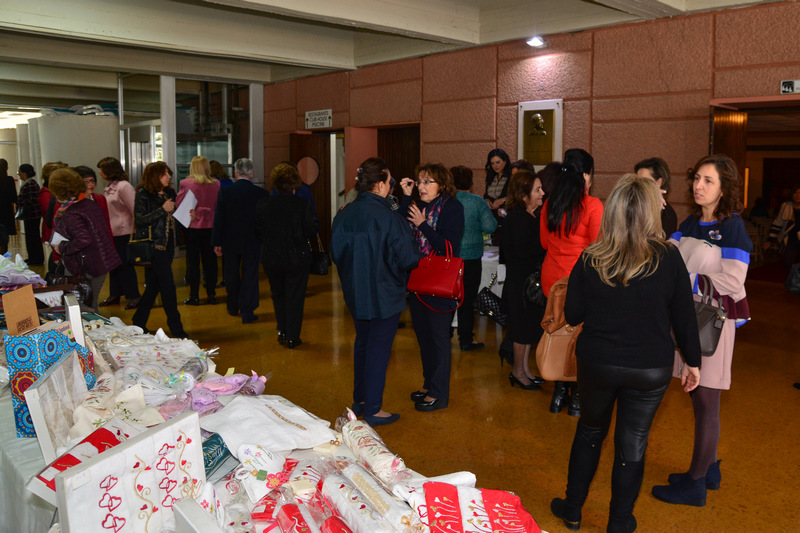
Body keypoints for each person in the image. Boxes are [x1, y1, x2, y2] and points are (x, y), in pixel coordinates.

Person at [550, 174, 702, 533]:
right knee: (632, 444)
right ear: (652, 212)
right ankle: (619, 522)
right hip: (649, 367)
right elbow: (684, 318)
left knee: (589, 432)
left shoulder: (591, 257)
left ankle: (572, 510)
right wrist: (693, 363)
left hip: (598, 362)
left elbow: (572, 315)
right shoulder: (668, 257)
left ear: (613, 210)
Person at [652, 154, 752, 507]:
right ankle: (708, 469)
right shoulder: (691, 223)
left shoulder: (734, 227)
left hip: (714, 325)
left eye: (708, 180)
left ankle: (694, 484)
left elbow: (734, 281)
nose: (699, 185)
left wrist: (686, 280)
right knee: (699, 399)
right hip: (690, 321)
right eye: (697, 178)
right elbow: (668, 256)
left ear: (724, 188)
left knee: (707, 402)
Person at [331, 158, 421, 425]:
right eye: (390, 182)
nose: (391, 187)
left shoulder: (344, 213)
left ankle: (359, 402)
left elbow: (336, 254)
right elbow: (408, 258)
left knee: (363, 345)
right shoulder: (389, 217)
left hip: (355, 293)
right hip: (385, 294)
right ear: (381, 185)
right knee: (379, 349)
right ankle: (373, 408)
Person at [540, 148, 604, 417]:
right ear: (587, 175)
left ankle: (557, 395)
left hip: (552, 281)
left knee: (557, 333)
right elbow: (598, 248)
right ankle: (576, 397)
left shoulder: (550, 203)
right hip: (579, 282)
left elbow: (544, 243)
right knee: (580, 339)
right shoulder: (592, 205)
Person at [400, 163, 464, 412]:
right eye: (420, 181)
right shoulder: (420, 207)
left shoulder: (452, 207)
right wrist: (406, 197)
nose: (422, 186)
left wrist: (423, 224)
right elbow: (402, 227)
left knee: (438, 339)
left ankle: (439, 393)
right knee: (424, 338)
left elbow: (448, 248)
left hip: (441, 283)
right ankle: (429, 384)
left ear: (442, 185)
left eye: (428, 182)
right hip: (418, 281)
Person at [255, 163, 318, 349]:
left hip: (272, 256)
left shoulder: (264, 204)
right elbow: (311, 229)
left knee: (278, 294)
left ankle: (282, 330)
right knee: (295, 296)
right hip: (297, 256)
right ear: (294, 184)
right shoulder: (302, 204)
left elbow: (258, 230)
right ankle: (292, 336)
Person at [48, 168, 122, 311]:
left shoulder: (71, 213)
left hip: (87, 265)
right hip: (101, 263)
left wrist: (61, 247)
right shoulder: (90, 205)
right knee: (90, 302)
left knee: (83, 307)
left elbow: (84, 239)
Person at [130, 162, 187, 338]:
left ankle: (138, 320)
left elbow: (173, 218)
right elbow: (140, 220)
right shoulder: (143, 194)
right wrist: (162, 210)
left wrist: (185, 216)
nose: (169, 177)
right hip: (155, 246)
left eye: (168, 174)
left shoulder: (169, 193)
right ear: (155, 176)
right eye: (164, 174)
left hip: (169, 245)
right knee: (168, 286)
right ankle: (176, 329)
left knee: (155, 284)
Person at [501, 169, 546, 390]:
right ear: (524, 195)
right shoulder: (519, 218)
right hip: (520, 283)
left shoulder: (529, 216)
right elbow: (524, 250)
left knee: (527, 327)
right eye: (537, 189)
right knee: (521, 329)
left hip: (526, 281)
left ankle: (525, 370)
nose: (542, 193)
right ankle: (518, 372)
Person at [212, 158, 269, 324]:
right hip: (252, 240)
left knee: (231, 274)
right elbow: (263, 221)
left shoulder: (226, 192)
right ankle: (248, 310)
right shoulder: (262, 194)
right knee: (250, 275)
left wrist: (217, 241)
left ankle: (232, 306)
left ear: (235, 173)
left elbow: (219, 218)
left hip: (230, 240)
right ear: (251, 174)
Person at [451, 165, 497, 351]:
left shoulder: (445, 200)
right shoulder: (476, 202)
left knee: (447, 297)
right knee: (467, 300)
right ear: (470, 181)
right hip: (471, 258)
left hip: (450, 258)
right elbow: (490, 227)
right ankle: (466, 340)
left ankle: (444, 334)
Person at [177, 156, 221, 305]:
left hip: (193, 226)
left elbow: (179, 203)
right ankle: (211, 294)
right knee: (210, 261)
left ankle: (194, 296)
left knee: (193, 262)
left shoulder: (186, 183)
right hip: (211, 225)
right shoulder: (216, 184)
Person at [98, 156, 141, 309]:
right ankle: (115, 294)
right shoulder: (110, 186)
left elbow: (134, 209)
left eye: (102, 169)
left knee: (125, 265)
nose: (100, 172)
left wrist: (136, 231)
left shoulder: (124, 186)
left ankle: (134, 296)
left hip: (125, 231)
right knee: (114, 265)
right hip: (113, 232)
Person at [634, 157, 678, 236]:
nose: (638, 185)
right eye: (637, 181)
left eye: (644, 181)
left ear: (659, 182)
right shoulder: (634, 206)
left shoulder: (666, 214)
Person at [766, 184, 800, 271]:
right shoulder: (786, 206)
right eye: (795, 193)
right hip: (790, 239)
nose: (798, 195)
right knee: (788, 262)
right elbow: (778, 222)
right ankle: (791, 282)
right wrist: (770, 240)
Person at [483, 148, 512, 247]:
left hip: (505, 218)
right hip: (492, 218)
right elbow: (486, 195)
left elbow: (517, 196)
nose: (495, 166)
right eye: (492, 163)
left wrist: (503, 200)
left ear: (505, 161)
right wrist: (486, 200)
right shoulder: (491, 177)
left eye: (498, 162)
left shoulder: (511, 177)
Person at [17, 164, 44, 265]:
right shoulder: (28, 183)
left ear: (24, 173)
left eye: (19, 172)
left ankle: (36, 259)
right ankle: (32, 257)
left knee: (33, 237)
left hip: (32, 215)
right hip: (30, 215)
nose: (19, 175)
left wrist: (21, 203)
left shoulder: (30, 184)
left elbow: (32, 200)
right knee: (30, 237)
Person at [0, 159, 17, 239]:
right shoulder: (9, 180)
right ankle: (3, 251)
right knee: (4, 237)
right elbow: (13, 197)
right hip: (6, 210)